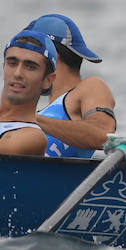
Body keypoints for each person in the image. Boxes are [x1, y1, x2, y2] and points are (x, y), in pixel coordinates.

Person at [24, 13, 117, 158]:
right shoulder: (42, 112)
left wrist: (26, 117)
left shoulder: (90, 87)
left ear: (51, 55)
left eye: (27, 59)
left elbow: (103, 134)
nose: (19, 69)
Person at [0, 31, 57, 156]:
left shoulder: (32, 138)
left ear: (48, 81)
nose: (17, 73)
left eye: (30, 67)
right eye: (12, 64)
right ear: (4, 67)